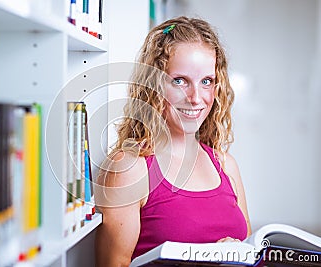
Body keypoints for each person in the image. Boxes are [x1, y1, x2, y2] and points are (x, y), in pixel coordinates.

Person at [94, 16, 252, 267]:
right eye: (179, 81)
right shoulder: (130, 168)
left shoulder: (226, 164)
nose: (195, 98)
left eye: (206, 82)